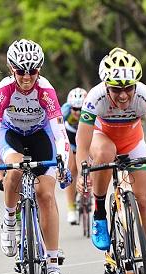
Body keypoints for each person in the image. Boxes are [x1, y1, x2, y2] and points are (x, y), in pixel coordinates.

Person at [75, 47, 146, 274]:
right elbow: (83, 144)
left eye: (128, 87)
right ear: (106, 86)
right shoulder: (95, 98)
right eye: (116, 89)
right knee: (105, 153)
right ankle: (99, 213)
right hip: (102, 138)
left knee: (143, 202)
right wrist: (82, 170)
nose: (123, 94)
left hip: (132, 142)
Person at [0, 39, 71, 274]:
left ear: (39, 70)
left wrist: (63, 158)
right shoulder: (3, 91)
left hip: (40, 134)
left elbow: (60, 133)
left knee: (45, 194)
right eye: (21, 71)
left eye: (33, 71)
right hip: (11, 135)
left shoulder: (45, 90)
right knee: (15, 170)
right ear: (11, 68)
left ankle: (53, 269)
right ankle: (10, 221)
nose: (27, 77)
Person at [61, 87, 88, 225]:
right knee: (72, 169)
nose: (77, 112)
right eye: (75, 109)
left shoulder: (92, 109)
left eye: (81, 109)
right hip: (70, 139)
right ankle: (71, 208)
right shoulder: (64, 112)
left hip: (86, 137)